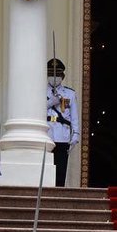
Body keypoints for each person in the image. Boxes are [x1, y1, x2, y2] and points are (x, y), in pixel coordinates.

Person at [47, 58, 82, 188]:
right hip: (46, 134)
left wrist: (76, 134)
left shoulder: (69, 94)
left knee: (60, 171)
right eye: (51, 74)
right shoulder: (39, 92)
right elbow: (35, 110)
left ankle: (57, 194)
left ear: (62, 76)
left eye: (57, 75)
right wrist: (50, 103)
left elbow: (74, 116)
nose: (54, 78)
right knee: (46, 171)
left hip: (62, 135)